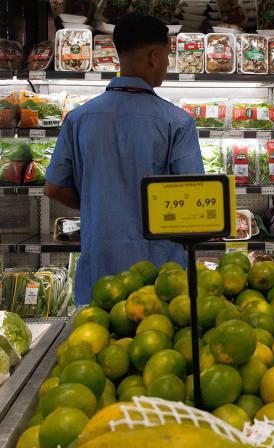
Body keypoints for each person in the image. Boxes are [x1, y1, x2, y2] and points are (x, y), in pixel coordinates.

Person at [46, 14, 204, 304]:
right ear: (155, 57)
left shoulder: (79, 119)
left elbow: (54, 188)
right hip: (160, 278)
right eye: (168, 56)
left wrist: (99, 202)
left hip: (100, 273)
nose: (167, 65)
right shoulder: (178, 122)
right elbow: (193, 197)